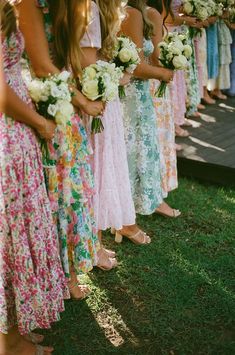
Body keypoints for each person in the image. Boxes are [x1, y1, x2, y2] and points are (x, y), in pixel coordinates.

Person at [17, 0, 106, 300]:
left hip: (62, 109)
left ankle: (67, 272)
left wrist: (99, 82)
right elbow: (41, 65)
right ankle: (52, 276)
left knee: (71, 193)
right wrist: (84, 101)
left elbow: (73, 60)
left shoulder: (69, 7)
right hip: (35, 109)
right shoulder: (28, 4)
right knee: (50, 194)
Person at [0, 1, 69, 353]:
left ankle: (13, 330)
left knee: (14, 231)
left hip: (15, 130)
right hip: (7, 134)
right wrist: (41, 122)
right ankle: (9, 343)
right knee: (8, 235)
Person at [121, 0, 174, 219]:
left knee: (141, 145)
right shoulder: (132, 13)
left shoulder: (140, 12)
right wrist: (163, 74)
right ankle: (132, 206)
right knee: (135, 146)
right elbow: (135, 66)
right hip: (133, 92)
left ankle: (142, 200)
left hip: (140, 92)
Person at [147, 0, 180, 217]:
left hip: (144, 81)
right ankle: (156, 197)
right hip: (152, 81)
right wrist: (176, 58)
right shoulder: (153, 12)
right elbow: (157, 56)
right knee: (157, 139)